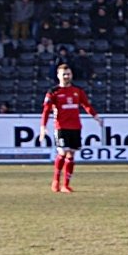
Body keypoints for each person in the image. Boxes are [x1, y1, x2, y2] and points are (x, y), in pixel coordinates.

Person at [39, 62, 102, 193]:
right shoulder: (53, 92)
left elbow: (86, 105)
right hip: (61, 127)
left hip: (75, 127)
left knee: (71, 154)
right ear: (58, 75)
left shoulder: (77, 91)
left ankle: (66, 185)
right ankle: (56, 181)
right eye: (64, 74)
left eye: (68, 74)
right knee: (62, 152)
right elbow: (46, 110)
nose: (66, 76)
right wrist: (42, 127)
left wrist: (96, 117)